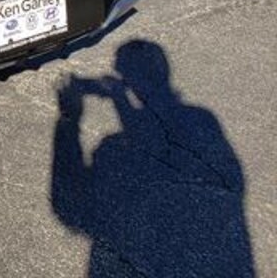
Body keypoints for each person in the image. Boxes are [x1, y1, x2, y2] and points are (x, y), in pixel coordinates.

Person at [51, 40, 254, 277]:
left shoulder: (115, 146)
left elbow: (67, 210)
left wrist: (70, 120)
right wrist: (119, 97)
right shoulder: (202, 118)